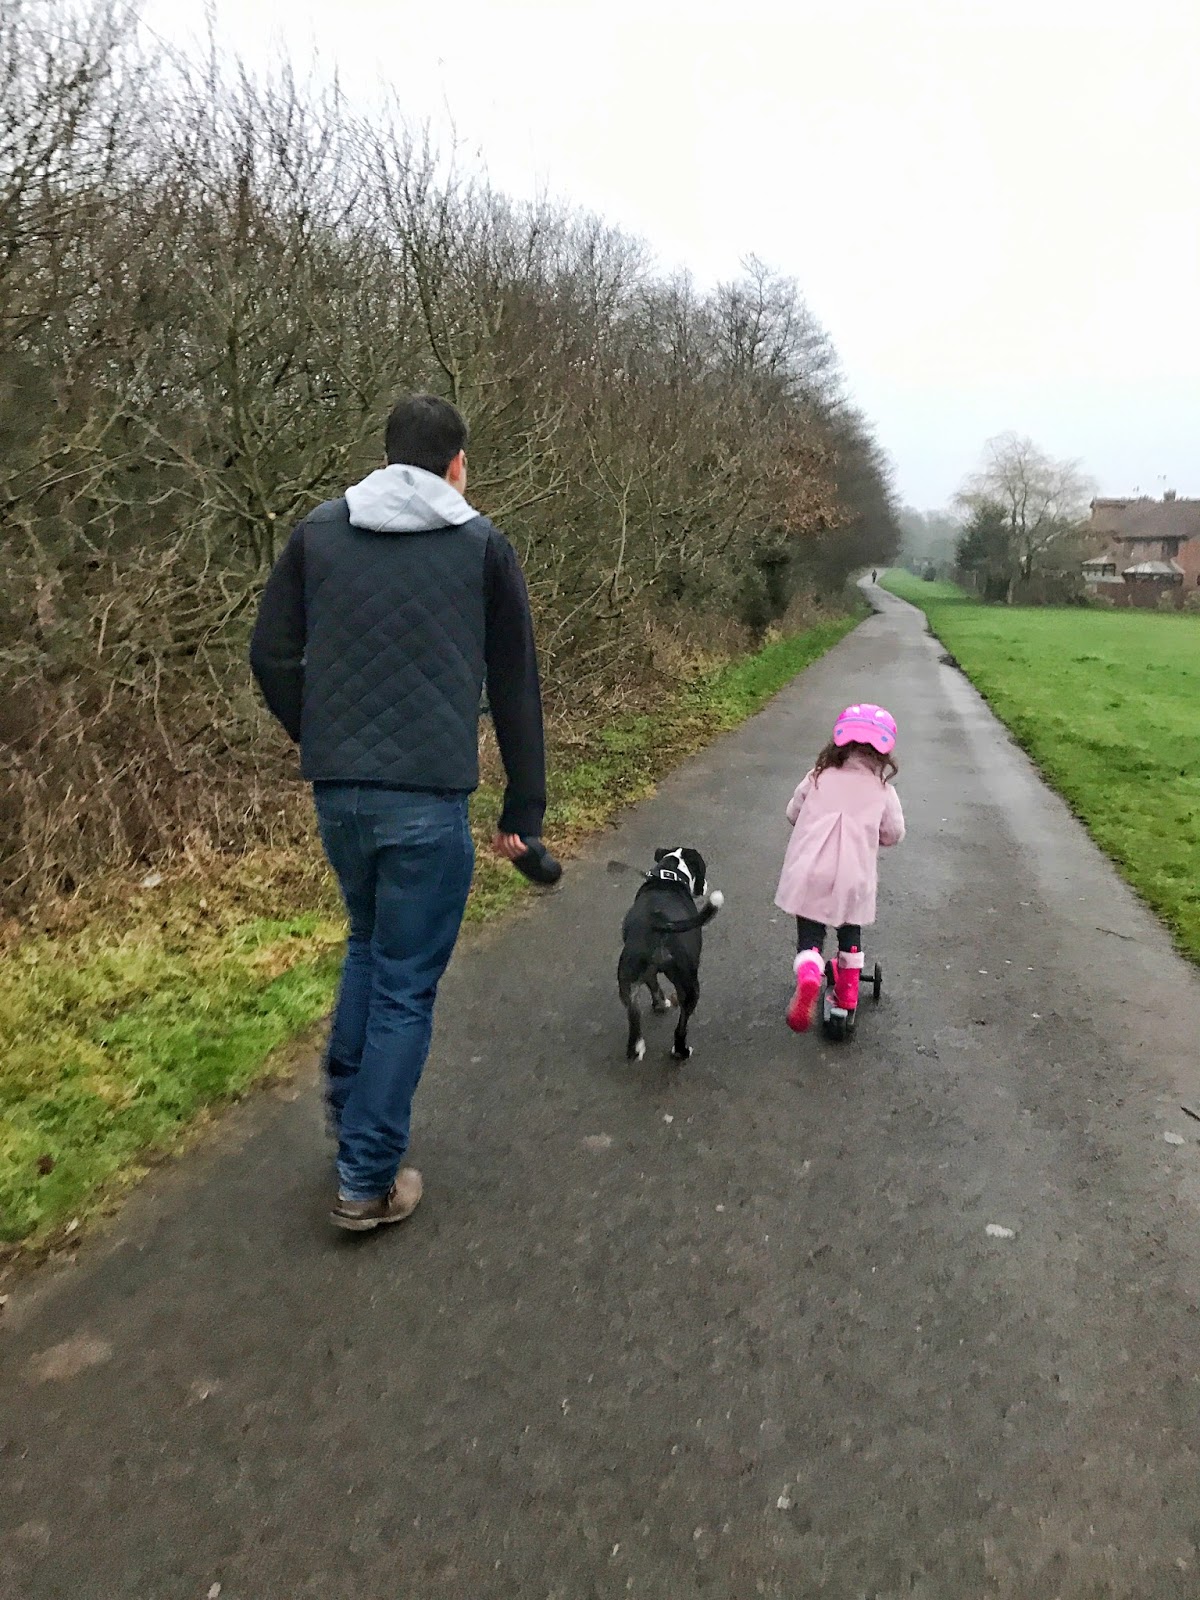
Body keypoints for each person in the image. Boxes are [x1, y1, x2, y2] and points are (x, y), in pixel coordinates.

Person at [250, 394, 546, 1230]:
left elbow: (269, 653)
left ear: (386, 459)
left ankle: (351, 1125)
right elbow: (515, 684)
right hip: (426, 800)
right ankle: (367, 1179)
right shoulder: (481, 546)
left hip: (340, 796)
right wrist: (524, 805)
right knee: (405, 983)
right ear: (457, 465)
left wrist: (320, 733)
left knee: (369, 946)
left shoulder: (318, 532)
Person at [776, 704, 905, 1032]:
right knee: (850, 931)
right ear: (883, 753)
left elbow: (793, 813)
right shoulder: (883, 791)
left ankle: (810, 973)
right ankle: (846, 994)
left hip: (811, 871)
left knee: (810, 934)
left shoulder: (817, 776)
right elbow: (893, 833)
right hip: (853, 876)